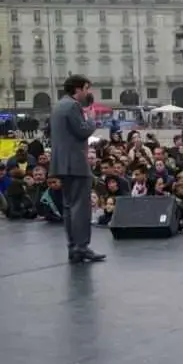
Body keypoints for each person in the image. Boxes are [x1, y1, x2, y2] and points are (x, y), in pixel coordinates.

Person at [49, 74, 105, 263]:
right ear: (78, 89)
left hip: (62, 163)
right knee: (80, 208)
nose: (88, 92)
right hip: (75, 163)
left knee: (69, 207)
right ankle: (82, 247)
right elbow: (83, 131)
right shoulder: (73, 106)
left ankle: (73, 246)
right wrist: (91, 119)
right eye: (87, 88)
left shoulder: (58, 105)